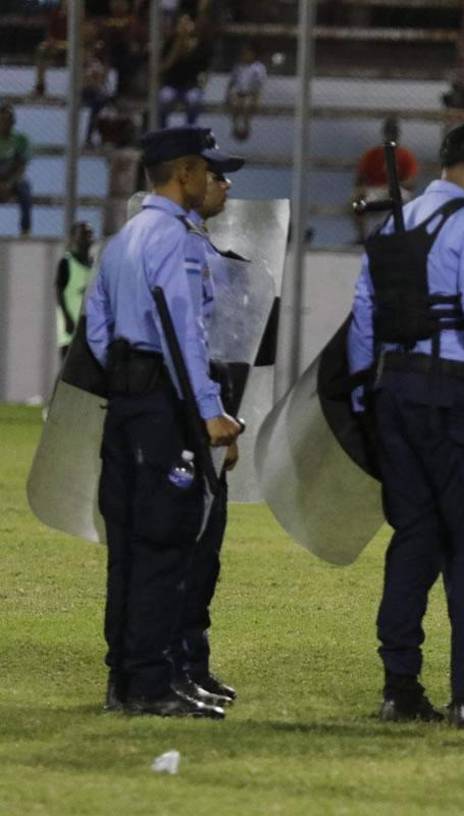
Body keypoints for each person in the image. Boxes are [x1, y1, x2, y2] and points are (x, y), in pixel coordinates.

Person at [347, 123, 464, 729]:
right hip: (454, 395)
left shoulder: (395, 223)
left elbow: (363, 318)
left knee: (414, 538)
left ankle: (400, 687)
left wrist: (362, 398)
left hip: (393, 393)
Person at [83, 125, 244, 718]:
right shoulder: (176, 240)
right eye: (207, 170)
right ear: (185, 173)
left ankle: (125, 678)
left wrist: (130, 383)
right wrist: (209, 413)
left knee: (127, 548)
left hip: (126, 406)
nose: (210, 181)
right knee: (162, 545)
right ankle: (152, 684)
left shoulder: (124, 237)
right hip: (163, 409)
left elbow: (96, 330)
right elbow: (184, 332)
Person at [174, 158, 247, 710]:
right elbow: (190, 344)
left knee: (206, 550)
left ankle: (191, 662)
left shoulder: (205, 247)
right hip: (180, 420)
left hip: (207, 416)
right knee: (181, 548)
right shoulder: (176, 245)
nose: (225, 186)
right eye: (217, 175)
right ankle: (168, 667)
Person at [352, 117, 419, 242]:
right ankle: (362, 237)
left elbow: (411, 183)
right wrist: (361, 190)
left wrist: (392, 186)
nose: (391, 135)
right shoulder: (373, 154)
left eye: (393, 132)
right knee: (357, 200)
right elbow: (359, 179)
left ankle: (402, 236)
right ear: (384, 133)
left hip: (398, 190)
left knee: (400, 198)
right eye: (389, 132)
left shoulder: (405, 155)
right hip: (375, 190)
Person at [157, 13, 213, 129]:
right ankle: (163, 131)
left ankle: (189, 130)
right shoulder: (170, 42)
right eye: (181, 23)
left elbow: (205, 69)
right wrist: (177, 46)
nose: (184, 26)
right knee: (164, 99)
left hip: (191, 86)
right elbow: (165, 66)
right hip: (171, 85)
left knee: (194, 100)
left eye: (187, 23)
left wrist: (202, 84)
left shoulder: (199, 45)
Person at [56, 222, 95, 360]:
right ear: (74, 238)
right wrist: (67, 319)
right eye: (84, 234)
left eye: (90, 234)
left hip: (90, 334)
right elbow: (59, 291)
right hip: (70, 333)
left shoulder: (94, 265)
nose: (88, 238)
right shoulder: (66, 263)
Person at [0, 102, 33, 237]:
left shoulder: (21, 140)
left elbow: (21, 166)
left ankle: (25, 230)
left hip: (12, 178)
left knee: (25, 189)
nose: (5, 123)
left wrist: (8, 184)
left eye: (8, 119)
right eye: (2, 119)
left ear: (13, 121)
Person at [225, 42, 266, 142]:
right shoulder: (238, 66)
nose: (246, 56)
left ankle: (246, 126)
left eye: (248, 53)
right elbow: (231, 82)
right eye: (244, 53)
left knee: (247, 104)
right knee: (235, 103)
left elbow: (259, 85)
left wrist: (257, 98)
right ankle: (235, 126)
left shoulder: (258, 67)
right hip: (238, 93)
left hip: (250, 94)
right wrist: (228, 94)